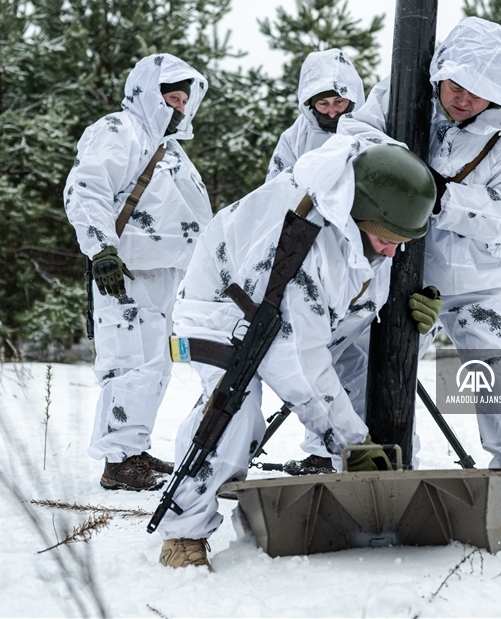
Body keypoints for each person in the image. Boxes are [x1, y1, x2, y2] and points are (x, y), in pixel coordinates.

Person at [155, 138, 441, 571]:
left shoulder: (366, 229)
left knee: (370, 386)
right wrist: (352, 443)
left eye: (401, 241)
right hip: (225, 315)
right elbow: (297, 361)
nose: (392, 251)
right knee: (231, 414)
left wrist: (420, 324)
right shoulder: (302, 242)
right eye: (385, 239)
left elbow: (358, 319)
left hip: (307, 320)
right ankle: (183, 533)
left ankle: (365, 504)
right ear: (359, 217)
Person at [337, 17, 501, 558]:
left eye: (478, 92)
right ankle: (377, 481)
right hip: (397, 270)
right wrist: (401, 172)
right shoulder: (401, 93)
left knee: (498, 379)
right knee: (365, 369)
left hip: (474, 285)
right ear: (439, 73)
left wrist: (442, 196)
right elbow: (355, 138)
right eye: (455, 85)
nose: (462, 99)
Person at [63, 53, 213, 492]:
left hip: (165, 273)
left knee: (155, 366)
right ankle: (117, 461)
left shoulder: (172, 150)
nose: (179, 107)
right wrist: (101, 250)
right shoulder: (119, 129)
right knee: (128, 362)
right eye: (171, 98)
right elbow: (86, 188)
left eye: (184, 100)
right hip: (123, 272)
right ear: (149, 93)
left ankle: (133, 449)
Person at [265, 48, 366, 182]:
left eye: (339, 102)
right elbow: (276, 187)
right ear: (311, 105)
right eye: (323, 104)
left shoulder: (370, 129)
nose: (332, 112)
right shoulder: (293, 139)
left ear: (352, 99)